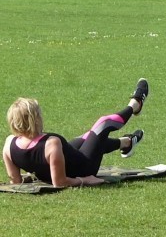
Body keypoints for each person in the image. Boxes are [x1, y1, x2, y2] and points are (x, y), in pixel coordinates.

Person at [2, 78, 149, 187]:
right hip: (84, 168)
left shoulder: (9, 144)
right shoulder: (51, 144)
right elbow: (59, 183)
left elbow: (15, 180)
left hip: (66, 164)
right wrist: (85, 180)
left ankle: (127, 143)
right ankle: (135, 104)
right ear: (35, 119)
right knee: (103, 124)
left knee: (88, 137)